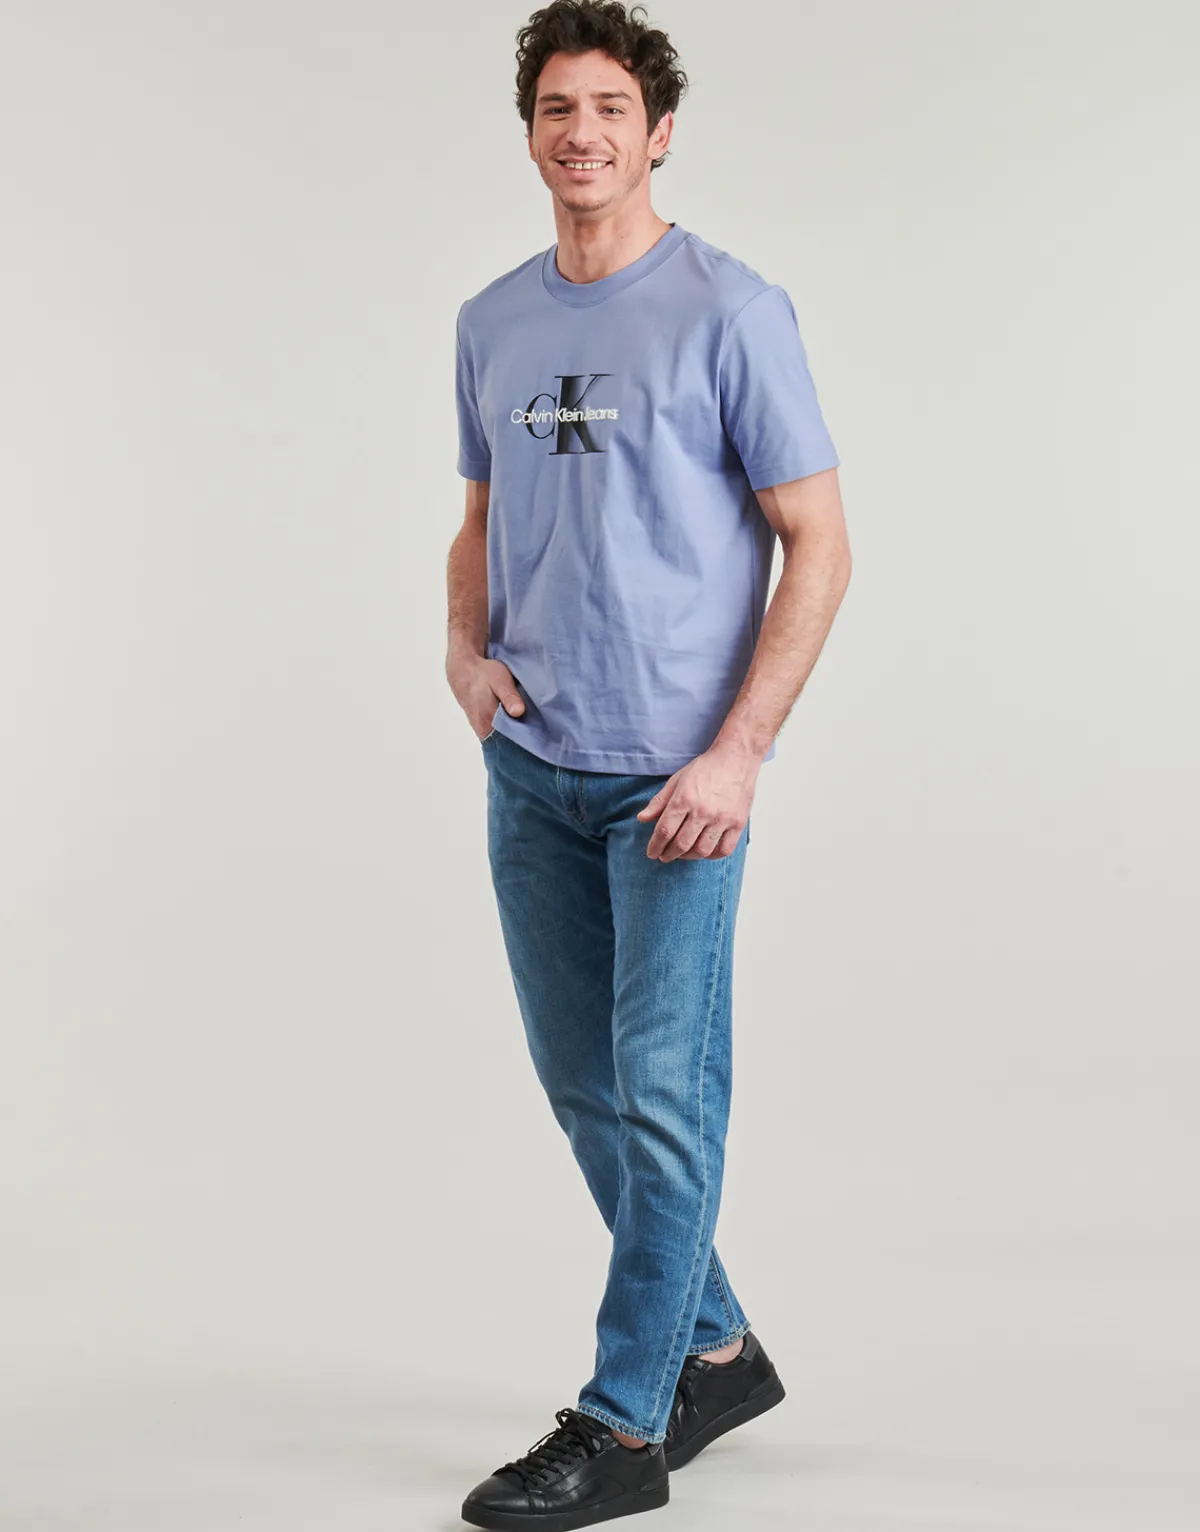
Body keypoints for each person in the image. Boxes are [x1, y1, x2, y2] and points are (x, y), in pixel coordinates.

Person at [445, 3, 851, 1526]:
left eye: (612, 107)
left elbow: (821, 542)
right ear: (531, 131)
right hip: (533, 773)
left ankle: (625, 1427)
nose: (584, 133)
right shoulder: (492, 320)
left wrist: (738, 755)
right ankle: (720, 1349)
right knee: (585, 1088)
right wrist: (463, 659)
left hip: (677, 787)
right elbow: (479, 520)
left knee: (665, 1097)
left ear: (659, 131)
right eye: (559, 107)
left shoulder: (732, 311)